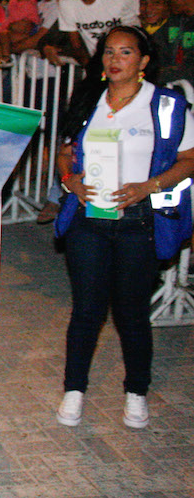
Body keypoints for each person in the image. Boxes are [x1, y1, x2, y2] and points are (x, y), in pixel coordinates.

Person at [53, 25, 194, 429]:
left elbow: (189, 159)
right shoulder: (87, 98)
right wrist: (70, 180)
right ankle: (74, 389)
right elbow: (65, 153)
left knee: (131, 313)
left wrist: (148, 187)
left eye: (126, 52)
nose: (115, 60)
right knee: (86, 310)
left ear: (144, 61)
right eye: (109, 52)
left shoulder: (166, 105)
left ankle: (136, 392)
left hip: (139, 221)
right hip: (88, 220)